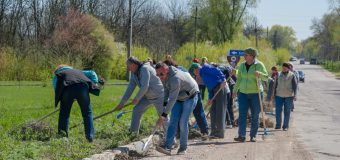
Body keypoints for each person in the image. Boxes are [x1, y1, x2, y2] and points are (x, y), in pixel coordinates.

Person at [113, 57, 166, 134]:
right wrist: (122, 103)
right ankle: (133, 133)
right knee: (137, 110)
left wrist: (137, 98)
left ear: (134, 65)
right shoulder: (134, 74)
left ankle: (170, 140)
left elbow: (145, 86)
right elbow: (130, 89)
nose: (128, 69)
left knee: (163, 117)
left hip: (158, 95)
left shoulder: (145, 69)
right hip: (147, 96)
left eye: (129, 66)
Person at [155, 63, 199, 155]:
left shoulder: (175, 78)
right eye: (157, 74)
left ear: (166, 71)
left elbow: (172, 99)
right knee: (173, 122)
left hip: (190, 96)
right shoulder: (164, 76)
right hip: (179, 97)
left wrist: (163, 116)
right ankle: (168, 147)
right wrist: (163, 107)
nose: (159, 76)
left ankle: (183, 148)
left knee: (183, 122)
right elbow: (166, 91)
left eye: (161, 74)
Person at [53, 64, 101, 142]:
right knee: (87, 113)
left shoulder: (57, 75)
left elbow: (57, 89)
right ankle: (90, 137)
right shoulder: (78, 71)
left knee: (64, 114)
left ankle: (62, 137)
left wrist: (65, 99)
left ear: (57, 70)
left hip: (67, 89)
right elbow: (92, 73)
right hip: (83, 88)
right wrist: (95, 83)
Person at [232, 47, 268, 142]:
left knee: (255, 115)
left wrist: (259, 74)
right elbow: (239, 79)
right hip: (243, 93)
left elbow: (266, 77)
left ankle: (253, 135)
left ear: (252, 56)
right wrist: (235, 90)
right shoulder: (242, 66)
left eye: (246, 55)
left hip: (256, 94)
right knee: (242, 114)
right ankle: (242, 135)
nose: (244, 56)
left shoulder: (259, 65)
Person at [200, 62, 229, 139]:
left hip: (220, 87)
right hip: (213, 90)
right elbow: (209, 88)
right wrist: (210, 99)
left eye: (194, 71)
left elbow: (217, 70)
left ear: (196, 69)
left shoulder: (205, 68)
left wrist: (223, 80)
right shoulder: (202, 74)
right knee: (212, 111)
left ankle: (220, 133)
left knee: (220, 111)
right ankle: (213, 132)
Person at [274, 63, 298, 131]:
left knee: (287, 111)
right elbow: (275, 85)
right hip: (279, 95)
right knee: (278, 110)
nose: (283, 69)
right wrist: (273, 94)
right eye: (283, 68)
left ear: (288, 68)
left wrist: (295, 95)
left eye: (285, 68)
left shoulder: (292, 75)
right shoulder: (278, 74)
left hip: (289, 96)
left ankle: (285, 126)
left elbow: (295, 86)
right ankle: (278, 125)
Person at [190, 63, 209, 138]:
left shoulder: (197, 74)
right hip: (189, 95)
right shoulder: (190, 75)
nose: (199, 70)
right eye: (198, 69)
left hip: (195, 94)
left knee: (199, 112)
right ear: (194, 69)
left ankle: (205, 131)